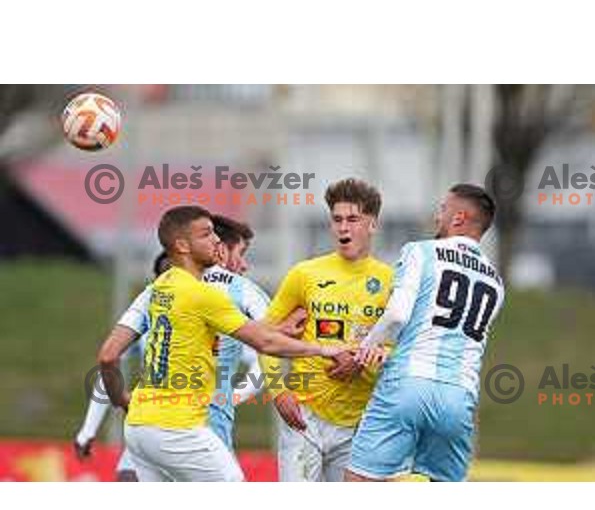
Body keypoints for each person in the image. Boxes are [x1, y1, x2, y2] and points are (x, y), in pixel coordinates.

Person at [98, 206, 345, 482]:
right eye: (206, 234)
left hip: (138, 428)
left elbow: (108, 356)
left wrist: (121, 400)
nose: (216, 240)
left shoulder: (155, 288)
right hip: (181, 428)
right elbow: (265, 343)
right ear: (182, 246)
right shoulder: (207, 295)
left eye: (215, 233)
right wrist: (326, 349)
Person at [346, 183, 505, 482]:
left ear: (458, 218)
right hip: (458, 397)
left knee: (360, 483)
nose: (437, 217)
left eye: (442, 209)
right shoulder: (496, 281)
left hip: (407, 384)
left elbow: (396, 314)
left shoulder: (420, 251)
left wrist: (365, 347)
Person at [265, 178, 393, 481]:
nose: (343, 228)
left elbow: (400, 349)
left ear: (372, 224)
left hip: (358, 424)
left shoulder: (392, 281)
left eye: (353, 219)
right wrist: (278, 391)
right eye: (337, 220)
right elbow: (265, 337)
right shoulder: (305, 274)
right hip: (303, 419)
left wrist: (361, 361)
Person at [73, 251, 171, 482]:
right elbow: (107, 367)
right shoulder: (149, 318)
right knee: (128, 476)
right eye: (166, 275)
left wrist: (233, 395)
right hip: (150, 425)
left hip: (200, 429)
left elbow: (261, 357)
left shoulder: (215, 312)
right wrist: (89, 428)